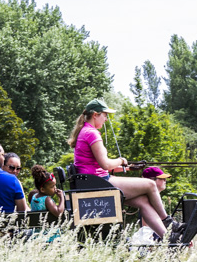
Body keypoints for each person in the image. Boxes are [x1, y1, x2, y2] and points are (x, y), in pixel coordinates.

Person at [67, 98, 185, 242]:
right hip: (99, 183)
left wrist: (124, 168)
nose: (106, 118)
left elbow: (95, 166)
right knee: (150, 184)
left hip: (93, 181)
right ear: (95, 115)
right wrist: (121, 160)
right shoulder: (92, 133)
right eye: (105, 115)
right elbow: (105, 164)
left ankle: (167, 238)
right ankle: (168, 221)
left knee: (142, 201)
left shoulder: (84, 131)